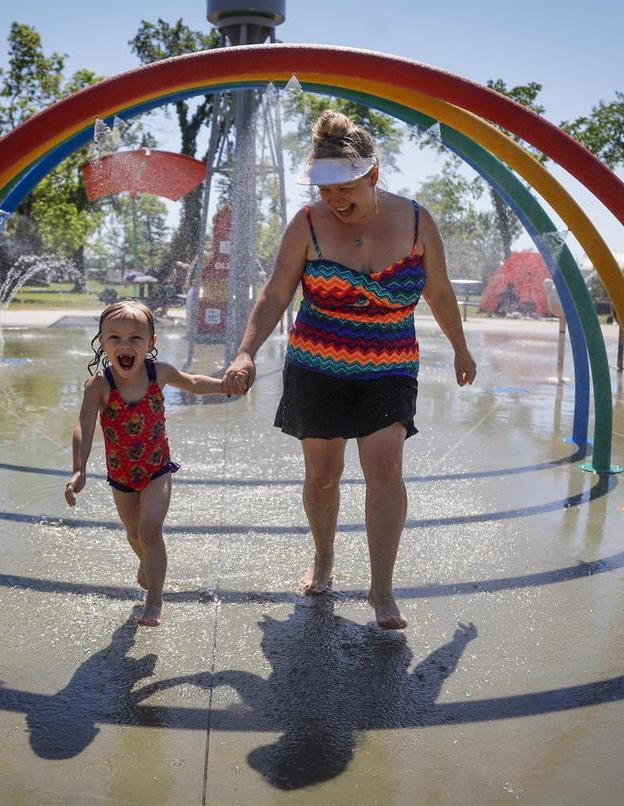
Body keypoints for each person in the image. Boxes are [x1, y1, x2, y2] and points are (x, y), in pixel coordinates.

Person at [222, 110, 477, 630]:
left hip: (390, 366)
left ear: (374, 175)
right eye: (326, 189)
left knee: (385, 470)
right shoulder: (309, 224)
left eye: (345, 188)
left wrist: (461, 348)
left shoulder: (416, 222)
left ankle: (381, 590)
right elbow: (275, 294)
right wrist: (246, 351)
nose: (335, 201)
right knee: (322, 475)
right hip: (317, 366)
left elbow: (441, 291)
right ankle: (323, 557)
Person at [65, 300, 226, 626]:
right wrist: (78, 468)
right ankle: (147, 563)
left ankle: (154, 600)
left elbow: (193, 383)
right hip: (121, 475)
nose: (125, 345)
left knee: (150, 531)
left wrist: (223, 385)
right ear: (101, 341)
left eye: (135, 338)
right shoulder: (99, 385)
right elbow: (84, 425)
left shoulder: (159, 373)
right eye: (115, 337)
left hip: (157, 469)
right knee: (134, 534)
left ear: (151, 343)